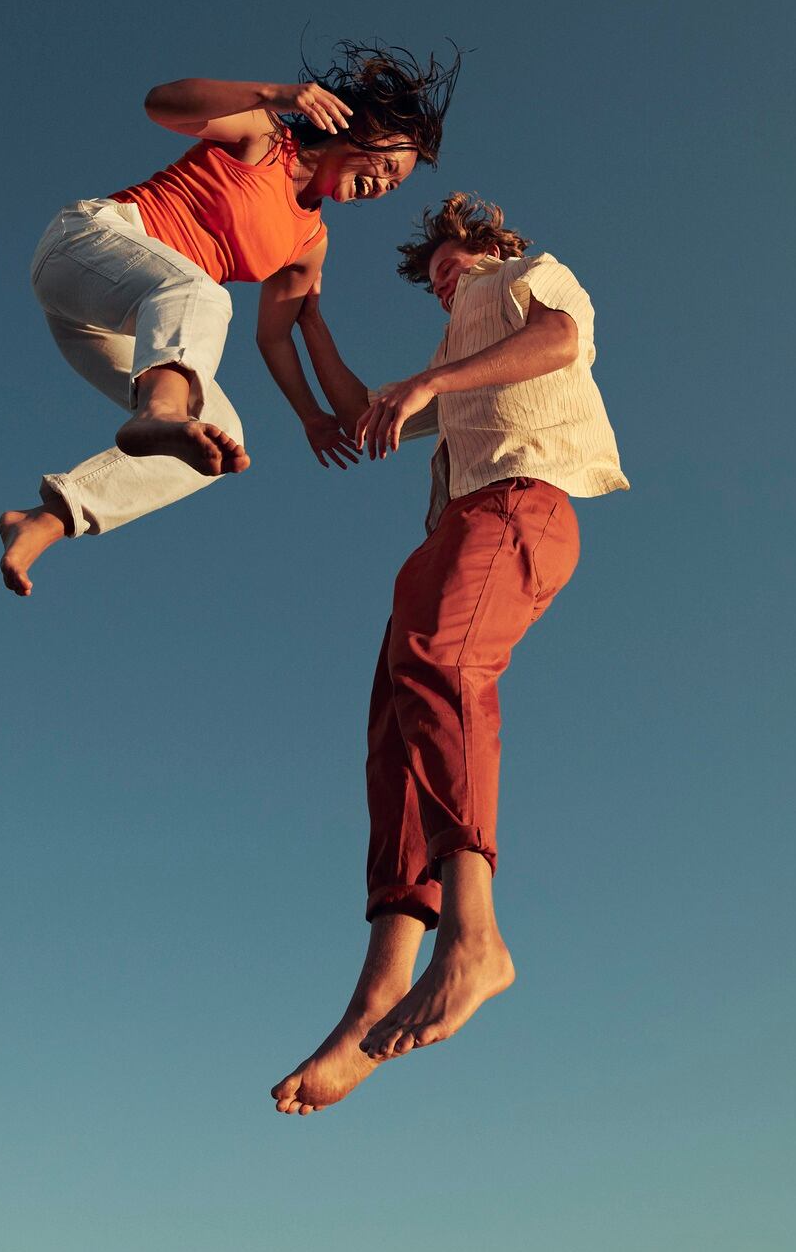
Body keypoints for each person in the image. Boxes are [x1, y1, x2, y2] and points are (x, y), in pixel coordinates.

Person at [270, 193, 630, 1114]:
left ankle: (475, 941)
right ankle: (374, 995)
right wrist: (312, 323)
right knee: (394, 734)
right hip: (456, 526)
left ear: (488, 248)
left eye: (449, 269)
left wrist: (432, 383)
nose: (442, 286)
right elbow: (363, 408)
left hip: (524, 499)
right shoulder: (451, 355)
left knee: (440, 662)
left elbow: (557, 344)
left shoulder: (525, 278)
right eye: (431, 282)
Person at [0, 42, 459, 595]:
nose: (383, 185)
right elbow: (160, 104)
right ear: (353, 127)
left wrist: (311, 416)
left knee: (219, 436)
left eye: (394, 184)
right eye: (386, 165)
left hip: (110, 318)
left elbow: (274, 336)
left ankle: (45, 519)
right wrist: (277, 94)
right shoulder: (265, 138)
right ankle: (161, 411)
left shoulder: (310, 241)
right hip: (88, 244)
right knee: (201, 290)